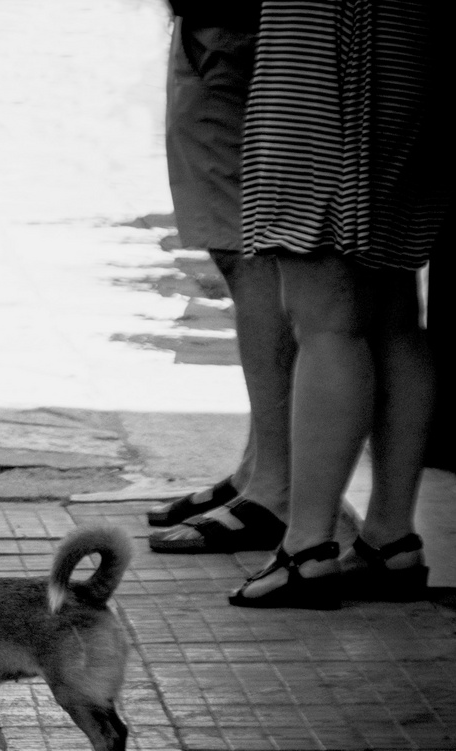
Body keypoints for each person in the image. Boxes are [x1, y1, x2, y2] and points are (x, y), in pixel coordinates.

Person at [228, 0, 447, 607]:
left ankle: (307, 549)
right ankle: (390, 538)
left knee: (324, 316)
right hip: (404, 52)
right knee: (396, 310)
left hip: (334, 60)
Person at [147, 0, 296, 556]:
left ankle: (273, 489)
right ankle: (260, 471)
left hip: (234, 29)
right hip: (229, 26)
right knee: (250, 255)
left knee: (251, 255)